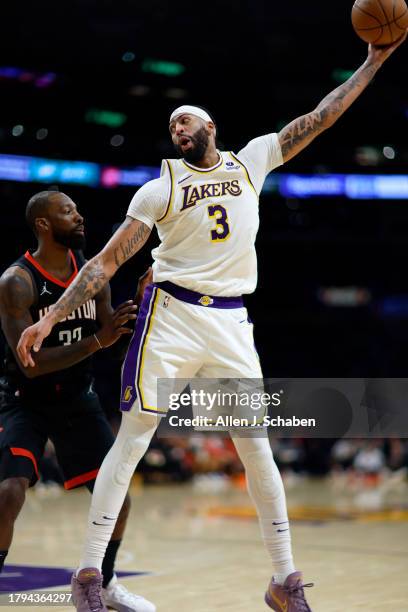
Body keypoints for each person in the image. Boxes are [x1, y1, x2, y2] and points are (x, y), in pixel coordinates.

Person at [17, 34, 407, 612]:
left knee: (258, 451)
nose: (178, 126)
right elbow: (105, 262)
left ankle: (284, 581)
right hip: (170, 317)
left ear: (211, 126)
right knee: (131, 444)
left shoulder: (252, 160)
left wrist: (373, 60)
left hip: (231, 323)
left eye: (187, 119)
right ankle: (88, 576)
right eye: (172, 123)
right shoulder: (159, 188)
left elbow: (321, 117)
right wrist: (48, 319)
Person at [0, 190, 156, 612]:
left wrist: (141, 311)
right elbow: (30, 364)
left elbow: (113, 344)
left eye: (78, 209)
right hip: (24, 399)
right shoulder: (17, 281)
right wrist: (96, 342)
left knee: (118, 498)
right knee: (9, 492)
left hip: (76, 398)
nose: (80, 217)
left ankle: (104, 583)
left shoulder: (91, 275)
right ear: (44, 225)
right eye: (68, 212)